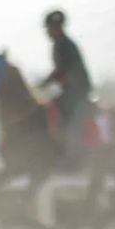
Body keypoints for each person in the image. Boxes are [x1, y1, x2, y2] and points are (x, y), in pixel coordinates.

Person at [38, 10, 93, 159]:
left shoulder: (63, 44)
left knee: (58, 110)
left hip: (77, 90)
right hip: (71, 89)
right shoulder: (60, 44)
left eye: (49, 28)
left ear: (57, 27)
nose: (47, 31)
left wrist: (43, 84)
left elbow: (61, 71)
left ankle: (67, 150)